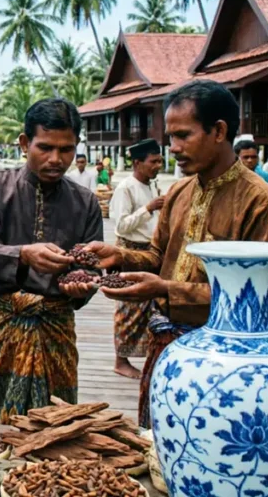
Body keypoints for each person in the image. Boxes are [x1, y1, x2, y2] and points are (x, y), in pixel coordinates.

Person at [83, 80, 268, 428]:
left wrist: (164, 290)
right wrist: (119, 256)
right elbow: (159, 257)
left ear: (219, 131)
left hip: (225, 364)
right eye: (170, 137)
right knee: (156, 446)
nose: (172, 148)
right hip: (166, 346)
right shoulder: (179, 192)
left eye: (183, 136)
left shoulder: (261, 202)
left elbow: (259, 301)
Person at [0, 98, 103, 425]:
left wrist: (81, 286)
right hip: (2, 321)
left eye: (66, 149)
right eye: (45, 147)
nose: (56, 159)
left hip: (55, 325)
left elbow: (90, 266)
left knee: (57, 420)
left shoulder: (85, 202)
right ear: (25, 143)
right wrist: (24, 254)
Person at [108, 138, 164, 380]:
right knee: (127, 306)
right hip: (128, 251)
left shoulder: (152, 185)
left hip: (149, 251)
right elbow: (120, 225)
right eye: (154, 162)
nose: (158, 166)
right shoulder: (126, 188)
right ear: (138, 163)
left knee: (148, 306)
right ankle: (120, 361)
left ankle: (144, 354)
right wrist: (148, 209)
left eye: (160, 161)